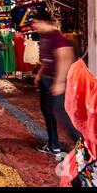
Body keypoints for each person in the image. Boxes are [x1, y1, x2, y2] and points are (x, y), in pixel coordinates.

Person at [32, 12, 81, 156]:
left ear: (44, 22)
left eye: (36, 22)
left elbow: (65, 58)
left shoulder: (57, 37)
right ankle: (54, 145)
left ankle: (82, 145)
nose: (34, 25)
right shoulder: (44, 36)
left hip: (56, 80)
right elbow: (46, 58)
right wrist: (40, 73)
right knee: (48, 112)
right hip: (46, 79)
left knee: (62, 113)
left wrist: (59, 81)